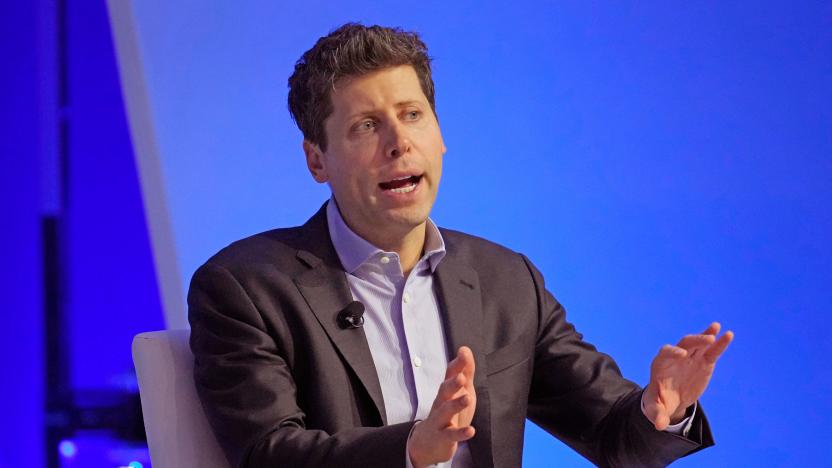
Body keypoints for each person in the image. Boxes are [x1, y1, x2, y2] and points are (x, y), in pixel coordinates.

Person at [188, 23, 734, 468]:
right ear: (316, 160)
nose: (399, 143)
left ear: (440, 135)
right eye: (366, 126)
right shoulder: (247, 287)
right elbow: (268, 456)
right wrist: (411, 450)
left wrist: (662, 409)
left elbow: (615, 440)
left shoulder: (505, 280)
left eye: (412, 115)